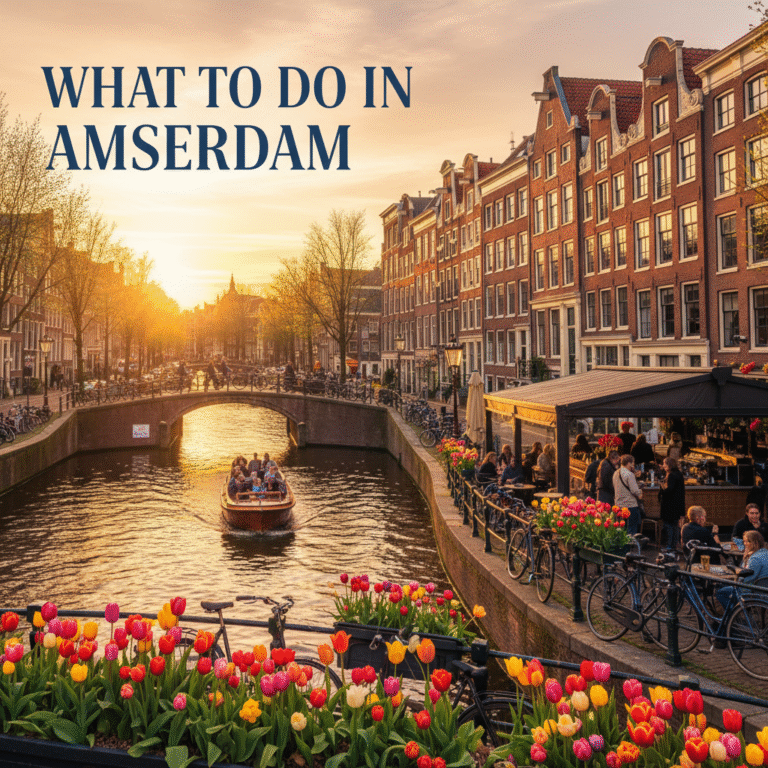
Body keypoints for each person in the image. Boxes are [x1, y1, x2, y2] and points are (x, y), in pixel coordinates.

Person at [716, 531, 768, 614]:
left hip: (754, 592)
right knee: (725, 585)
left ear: (755, 543)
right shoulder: (765, 552)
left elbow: (745, 577)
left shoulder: (755, 558)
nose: (745, 544)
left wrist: (745, 559)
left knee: (720, 592)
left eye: (747, 541)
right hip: (763, 589)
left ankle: (734, 616)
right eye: (744, 541)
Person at [659, 456, 685, 550]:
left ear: (669, 465)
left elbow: (669, 490)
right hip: (677, 505)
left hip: (670, 505)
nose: (663, 466)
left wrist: (662, 488)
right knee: (675, 526)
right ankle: (674, 545)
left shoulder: (671, 475)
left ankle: (669, 546)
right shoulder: (679, 474)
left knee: (669, 526)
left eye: (664, 464)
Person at [613, 454, 643, 536]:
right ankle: (630, 546)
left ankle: (622, 546)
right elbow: (634, 490)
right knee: (631, 529)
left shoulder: (616, 473)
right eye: (633, 463)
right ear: (629, 463)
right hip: (630, 505)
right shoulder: (629, 475)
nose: (633, 465)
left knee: (621, 528)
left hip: (619, 504)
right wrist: (640, 492)